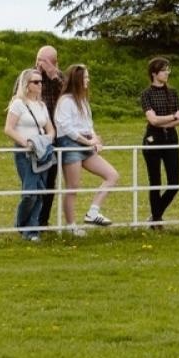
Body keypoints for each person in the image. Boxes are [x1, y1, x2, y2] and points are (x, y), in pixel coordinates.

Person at [53, 63, 119, 234]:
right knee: (73, 186)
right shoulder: (65, 101)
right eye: (85, 77)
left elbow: (88, 124)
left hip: (84, 143)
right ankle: (71, 226)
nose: (88, 80)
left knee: (112, 175)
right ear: (77, 80)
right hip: (70, 143)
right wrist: (87, 141)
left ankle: (93, 212)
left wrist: (95, 139)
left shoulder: (83, 100)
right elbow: (66, 128)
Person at [3, 68, 56, 240]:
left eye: (41, 81)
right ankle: (22, 223)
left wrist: (44, 141)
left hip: (41, 152)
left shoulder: (41, 105)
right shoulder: (18, 104)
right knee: (30, 193)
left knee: (40, 192)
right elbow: (8, 128)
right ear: (26, 84)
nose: (40, 85)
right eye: (36, 82)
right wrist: (26, 143)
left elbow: (50, 129)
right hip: (25, 153)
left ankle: (31, 230)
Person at [138, 57, 179, 226]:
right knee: (155, 181)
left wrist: (165, 120)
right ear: (154, 73)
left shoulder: (173, 93)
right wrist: (172, 117)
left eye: (168, 70)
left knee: (174, 183)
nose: (167, 73)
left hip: (171, 138)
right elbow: (153, 121)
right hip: (153, 139)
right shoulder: (146, 94)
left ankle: (155, 214)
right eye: (164, 70)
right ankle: (156, 219)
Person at [34, 45, 65, 226]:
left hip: (56, 137)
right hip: (34, 136)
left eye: (45, 62)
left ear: (54, 63)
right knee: (34, 180)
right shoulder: (28, 78)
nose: (40, 65)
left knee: (50, 180)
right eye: (39, 60)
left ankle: (43, 221)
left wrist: (54, 77)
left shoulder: (60, 78)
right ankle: (31, 220)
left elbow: (70, 99)